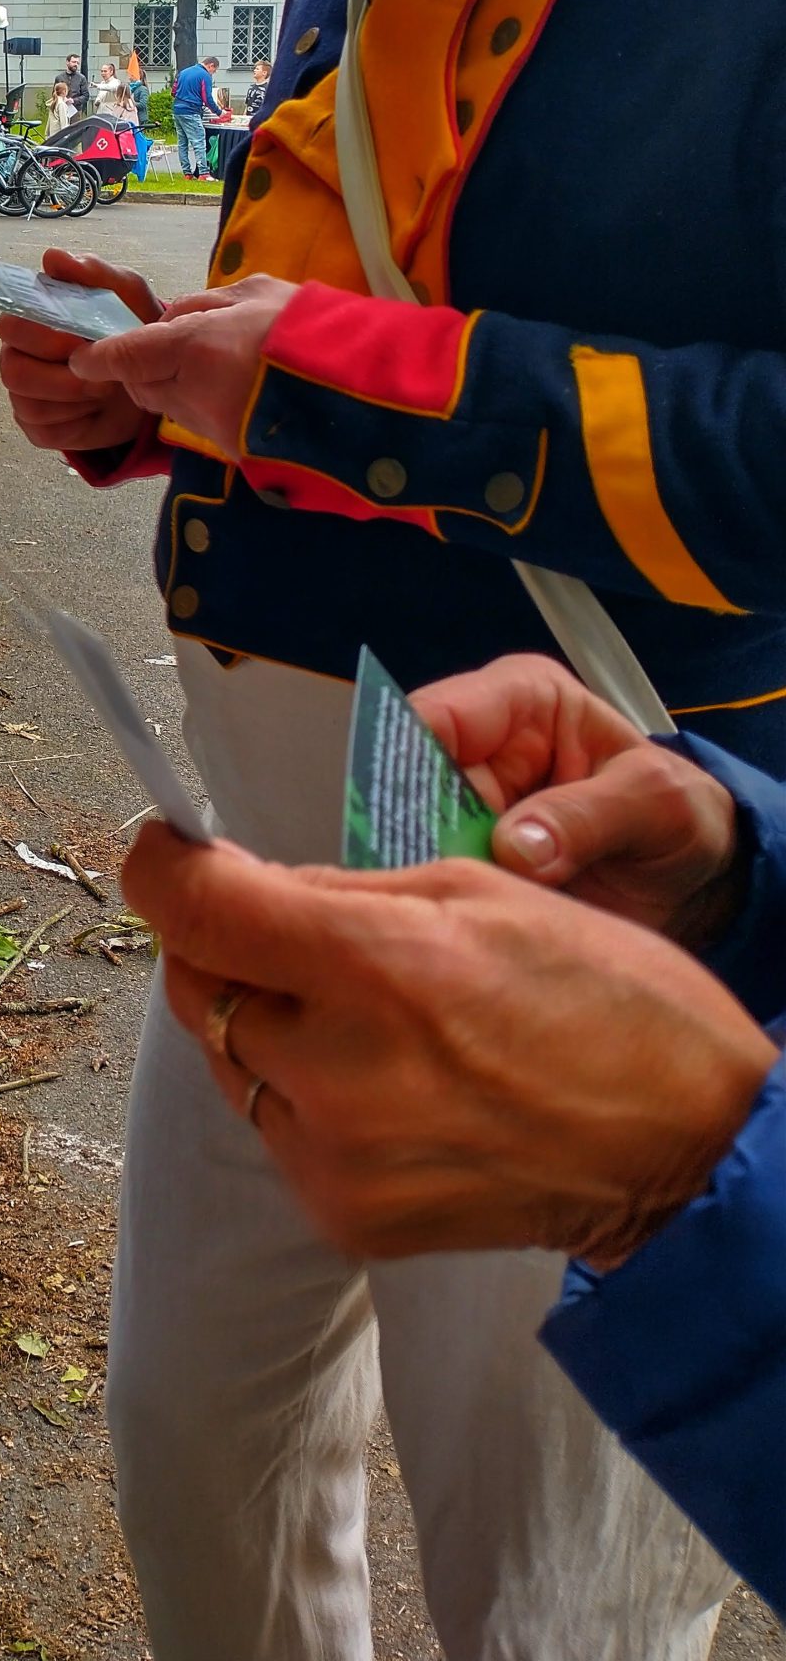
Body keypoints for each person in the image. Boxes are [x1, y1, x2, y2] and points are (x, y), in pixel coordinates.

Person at [0, 0, 786, 1660]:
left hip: (561, 858)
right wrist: (162, 388)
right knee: (193, 1441)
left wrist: (323, 383)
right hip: (259, 818)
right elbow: (387, 309)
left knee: (545, 1588)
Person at [120, 649, 786, 1611]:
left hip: (591, 951)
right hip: (478, 832)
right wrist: (744, 901)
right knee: (192, 1443)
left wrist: (688, 1180)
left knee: (549, 1585)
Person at [170, 52, 218, 178]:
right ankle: (203, 173)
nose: (212, 73)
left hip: (177, 110)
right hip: (191, 111)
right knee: (199, 143)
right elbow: (207, 98)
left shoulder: (183, 72)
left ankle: (187, 173)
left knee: (182, 143)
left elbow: (173, 92)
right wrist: (219, 112)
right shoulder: (205, 75)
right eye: (214, 71)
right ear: (211, 65)